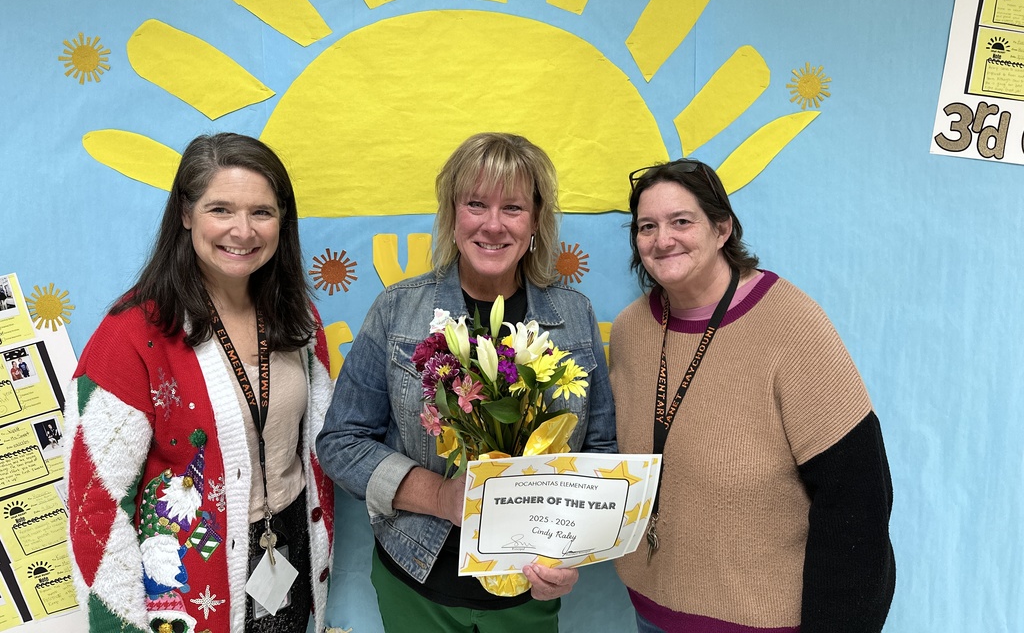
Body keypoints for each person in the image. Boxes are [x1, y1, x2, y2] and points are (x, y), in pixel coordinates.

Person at [317, 132, 616, 633]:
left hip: (527, 594)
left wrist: (569, 552)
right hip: (415, 577)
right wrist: (441, 497)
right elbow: (341, 443)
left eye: (514, 208)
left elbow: (601, 452)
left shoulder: (574, 316)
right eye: (476, 203)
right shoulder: (398, 310)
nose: (493, 225)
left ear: (537, 221)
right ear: (452, 215)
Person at [609, 159, 895, 633]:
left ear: (722, 229)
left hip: (761, 621)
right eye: (647, 227)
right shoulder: (630, 330)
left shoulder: (791, 325)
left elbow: (857, 498)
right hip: (650, 611)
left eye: (682, 221)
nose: (663, 239)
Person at [65, 133, 335, 633]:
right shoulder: (131, 334)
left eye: (262, 212)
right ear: (186, 214)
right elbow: (94, 505)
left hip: (288, 549)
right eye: (221, 210)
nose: (242, 230)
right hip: (187, 584)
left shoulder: (299, 321)